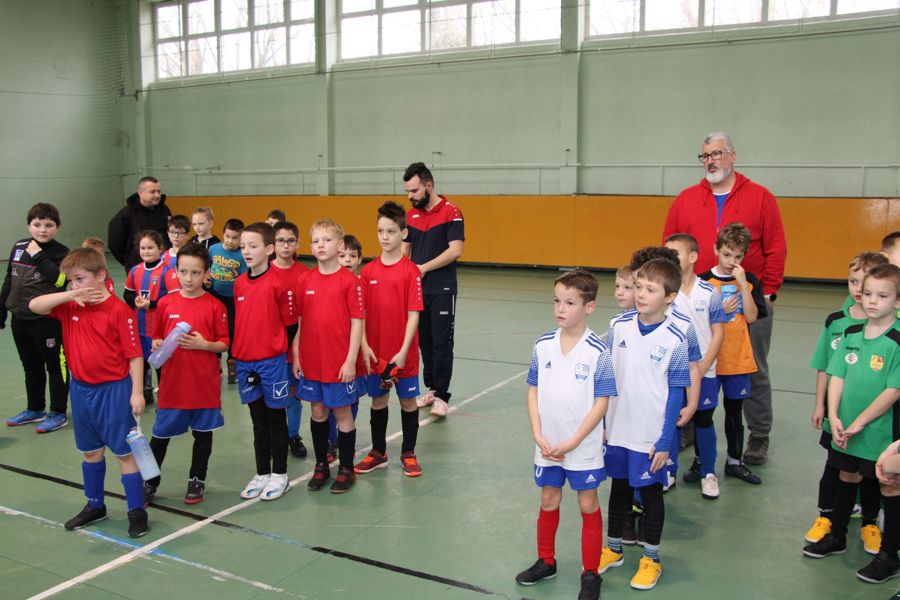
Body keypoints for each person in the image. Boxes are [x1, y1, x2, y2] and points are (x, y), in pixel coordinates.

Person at [663, 132, 787, 465]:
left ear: (732, 155)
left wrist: (768, 292)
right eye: (705, 156)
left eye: (717, 154)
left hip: (746, 302)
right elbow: (669, 246)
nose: (711, 161)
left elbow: (776, 246)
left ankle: (758, 434)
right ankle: (690, 422)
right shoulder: (686, 200)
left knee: (753, 367)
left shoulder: (760, 197)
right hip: (696, 301)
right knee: (693, 364)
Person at [28, 248, 148, 537]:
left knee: (125, 453)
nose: (75, 285)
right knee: (91, 452)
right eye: (71, 280)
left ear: (101, 275)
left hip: (114, 391)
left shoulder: (119, 311)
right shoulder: (70, 305)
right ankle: (95, 505)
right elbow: (34, 305)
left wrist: (137, 393)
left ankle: (136, 510)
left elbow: (134, 356)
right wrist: (71, 294)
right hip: (81, 391)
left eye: (80, 279)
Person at [514, 269, 616, 600]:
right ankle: (546, 561)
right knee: (548, 498)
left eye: (570, 303)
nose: (560, 308)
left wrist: (574, 441)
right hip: (547, 443)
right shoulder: (542, 345)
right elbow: (533, 390)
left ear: (589, 307)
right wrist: (537, 432)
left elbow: (602, 403)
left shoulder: (598, 351)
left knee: (587, 503)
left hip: (581, 446)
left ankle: (591, 573)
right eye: (557, 301)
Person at [803, 264, 900, 584]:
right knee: (846, 475)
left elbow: (893, 390)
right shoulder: (849, 334)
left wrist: (859, 422)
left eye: (882, 295)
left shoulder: (897, 340)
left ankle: (890, 554)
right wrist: (834, 415)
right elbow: (837, 375)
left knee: (888, 483)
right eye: (868, 293)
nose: (872, 300)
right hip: (845, 427)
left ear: (897, 301)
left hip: (880, 431)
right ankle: (837, 535)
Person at [599, 258, 691, 591]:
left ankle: (651, 558)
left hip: (650, 435)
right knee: (619, 489)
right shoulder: (618, 326)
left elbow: (677, 392)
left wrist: (666, 440)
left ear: (670, 297)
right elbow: (606, 375)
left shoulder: (676, 338)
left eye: (650, 290)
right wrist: (602, 423)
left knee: (651, 495)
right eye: (638, 286)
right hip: (617, 429)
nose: (640, 294)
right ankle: (613, 549)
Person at [143, 244, 228, 506]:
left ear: (206, 274)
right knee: (160, 437)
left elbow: (224, 343)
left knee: (203, 435)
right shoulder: (166, 303)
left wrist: (205, 345)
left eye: (195, 273)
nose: (188, 278)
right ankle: (149, 482)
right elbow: (157, 335)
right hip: (172, 385)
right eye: (183, 272)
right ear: (176, 271)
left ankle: (197, 479)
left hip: (204, 385)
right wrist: (157, 342)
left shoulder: (215, 306)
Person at [293, 220, 366, 494]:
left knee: (342, 412)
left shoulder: (350, 282)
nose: (320, 245)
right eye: (316, 241)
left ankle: (346, 468)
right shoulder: (305, 280)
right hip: (312, 361)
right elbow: (301, 321)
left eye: (327, 240)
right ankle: (321, 465)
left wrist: (350, 360)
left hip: (339, 364)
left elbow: (357, 323)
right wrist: (297, 355)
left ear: (340, 245)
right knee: (317, 411)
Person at [354, 202, 425, 478]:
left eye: (391, 231)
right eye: (380, 231)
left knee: (408, 403)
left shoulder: (410, 271)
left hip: (403, 355)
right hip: (376, 354)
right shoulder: (368, 272)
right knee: (378, 401)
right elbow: (359, 314)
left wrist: (404, 350)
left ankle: (408, 452)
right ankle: (378, 452)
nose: (385, 237)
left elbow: (414, 314)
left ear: (403, 233)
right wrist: (365, 346)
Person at [698, 223, 767, 485]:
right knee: (703, 415)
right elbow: (696, 320)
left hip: (737, 360)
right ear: (716, 249)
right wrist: (719, 310)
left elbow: (751, 317)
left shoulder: (749, 282)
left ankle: (734, 462)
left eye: (738, 256)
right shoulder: (703, 281)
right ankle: (701, 462)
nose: (731, 262)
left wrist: (742, 285)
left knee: (734, 414)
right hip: (709, 361)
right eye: (727, 254)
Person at [233, 222, 295, 501]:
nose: (246, 251)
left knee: (276, 419)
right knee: (257, 421)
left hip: (272, 363)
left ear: (269, 249)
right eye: (243, 246)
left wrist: (280, 353)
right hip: (245, 362)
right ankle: (262, 472)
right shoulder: (239, 283)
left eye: (253, 246)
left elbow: (291, 326)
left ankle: (280, 474)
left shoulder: (278, 283)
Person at [665, 233, 727, 499]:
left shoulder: (709, 292)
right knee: (671, 420)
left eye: (674, 253)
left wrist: (703, 366)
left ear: (692, 257)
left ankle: (708, 473)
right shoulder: (665, 292)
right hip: (671, 372)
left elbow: (718, 332)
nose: (669, 258)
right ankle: (668, 471)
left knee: (703, 420)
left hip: (705, 370)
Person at [402, 162, 464, 418]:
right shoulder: (411, 216)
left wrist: (423, 268)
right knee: (424, 343)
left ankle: (442, 395)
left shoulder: (452, 212)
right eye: (408, 191)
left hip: (442, 289)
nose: (410, 196)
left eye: (414, 190)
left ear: (429, 185)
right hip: (418, 291)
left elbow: (455, 250)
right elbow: (404, 251)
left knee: (441, 343)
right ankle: (431, 389)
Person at [1, 203, 70, 433]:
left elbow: (60, 281)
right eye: (37, 224)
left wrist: (39, 256)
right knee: (30, 366)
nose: (42, 230)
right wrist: (2, 307)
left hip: (47, 321)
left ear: (57, 227)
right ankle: (35, 408)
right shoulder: (19, 247)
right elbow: (9, 279)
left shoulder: (61, 253)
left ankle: (58, 412)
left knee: (55, 366)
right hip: (20, 320)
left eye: (48, 225)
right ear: (28, 226)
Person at [269, 221, 309, 459]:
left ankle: (292, 435)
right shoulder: (264, 271)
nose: (285, 245)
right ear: (272, 244)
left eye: (290, 241)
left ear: (297, 243)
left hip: (297, 342)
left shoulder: (305, 273)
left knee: (293, 393)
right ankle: (276, 436)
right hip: (272, 344)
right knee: (273, 394)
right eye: (280, 241)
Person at [124, 230, 177, 406]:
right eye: (143, 248)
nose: (146, 251)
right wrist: (135, 300)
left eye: (150, 248)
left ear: (160, 248)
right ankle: (145, 390)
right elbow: (127, 294)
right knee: (141, 362)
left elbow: (173, 299)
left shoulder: (167, 271)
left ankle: (165, 395)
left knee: (161, 363)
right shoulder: (135, 270)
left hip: (159, 329)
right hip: (139, 327)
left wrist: (151, 304)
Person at [108, 176, 171, 273]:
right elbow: (115, 244)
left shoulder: (164, 210)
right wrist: (129, 261)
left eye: (159, 191)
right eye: (152, 192)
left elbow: (169, 234)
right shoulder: (125, 215)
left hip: (164, 266)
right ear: (140, 193)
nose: (157, 195)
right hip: (138, 268)